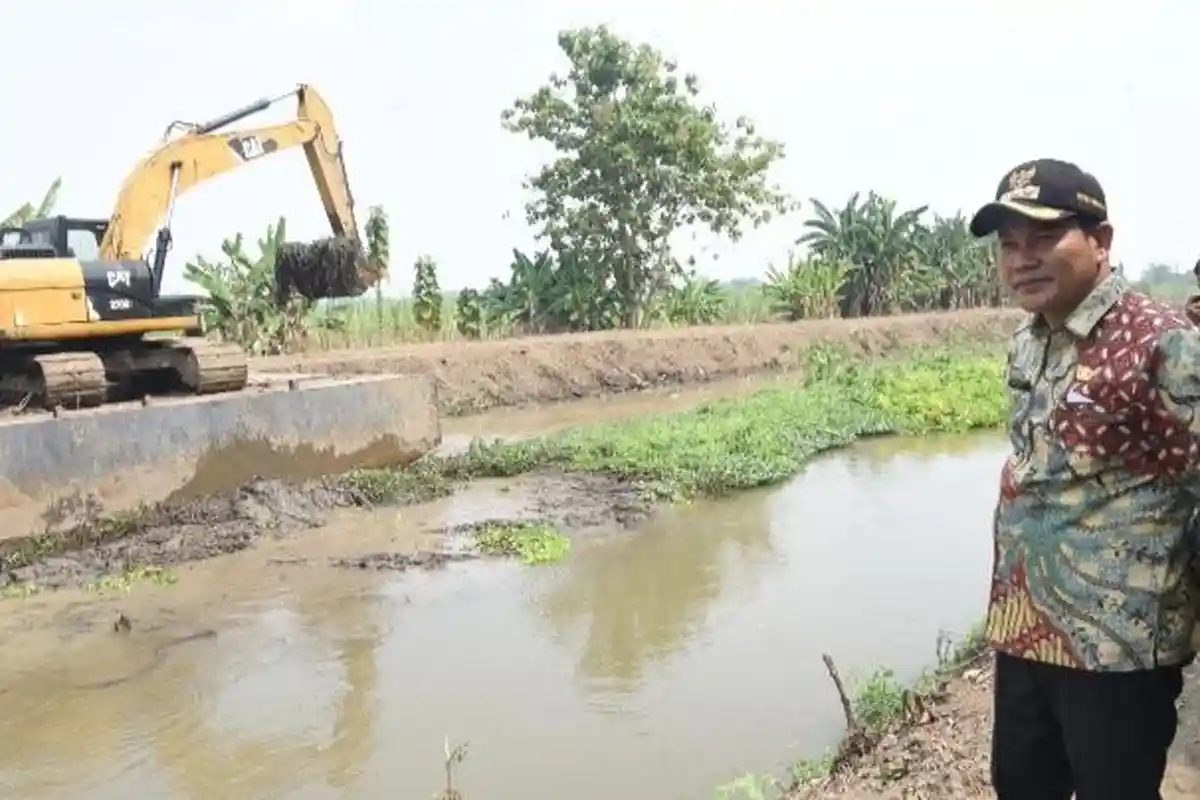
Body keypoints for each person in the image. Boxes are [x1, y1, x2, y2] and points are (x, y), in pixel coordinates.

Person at [968, 157, 1200, 800]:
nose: (1023, 259)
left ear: (1101, 241)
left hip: (1118, 648)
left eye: (1044, 237)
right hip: (1025, 630)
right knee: (1021, 785)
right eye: (1009, 245)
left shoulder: (1164, 344)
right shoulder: (1028, 340)